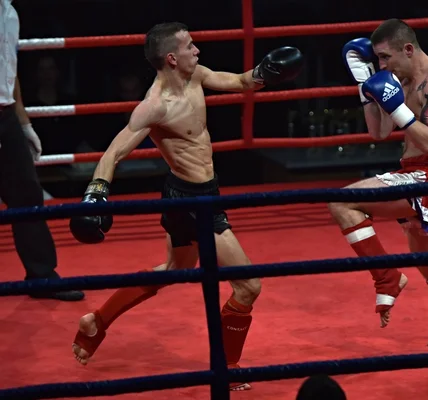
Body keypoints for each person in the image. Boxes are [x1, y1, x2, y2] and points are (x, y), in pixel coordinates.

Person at [68, 22, 303, 391]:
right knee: (248, 286)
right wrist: (97, 190)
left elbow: (241, 82)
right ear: (172, 58)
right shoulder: (156, 105)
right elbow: (114, 151)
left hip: (193, 193)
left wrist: (264, 73)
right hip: (193, 203)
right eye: (190, 46)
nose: (198, 51)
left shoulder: (195, 78)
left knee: (176, 269)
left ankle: (97, 320)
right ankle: (227, 367)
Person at [329, 19, 428, 349]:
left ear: (408, 49)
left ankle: (386, 278)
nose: (382, 65)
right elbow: (379, 132)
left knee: (342, 201)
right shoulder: (400, 80)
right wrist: (365, 85)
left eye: (385, 58)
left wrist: (396, 106)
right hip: (416, 172)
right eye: (378, 60)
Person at [0, 0, 84, 301]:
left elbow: (9, 69)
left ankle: (41, 275)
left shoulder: (10, 12)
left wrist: (22, 121)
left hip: (5, 114)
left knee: (26, 194)